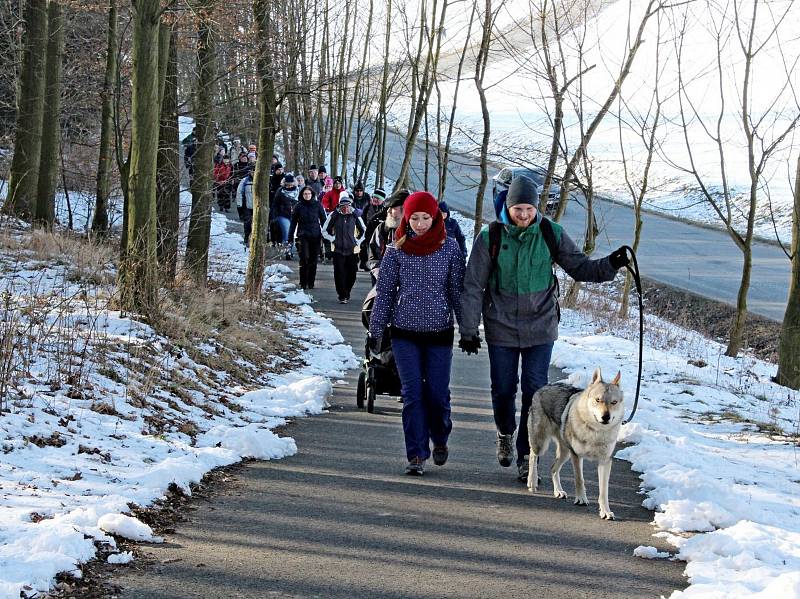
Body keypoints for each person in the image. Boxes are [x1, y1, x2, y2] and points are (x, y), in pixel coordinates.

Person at [458, 175, 630, 482]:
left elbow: (580, 267)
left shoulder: (551, 233)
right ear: (507, 207)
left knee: (534, 392)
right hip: (501, 325)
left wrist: (612, 263)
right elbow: (472, 285)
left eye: (528, 208)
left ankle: (527, 454)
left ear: (536, 207)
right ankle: (505, 433)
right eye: (517, 209)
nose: (523, 215)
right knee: (502, 389)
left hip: (541, 325)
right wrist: (469, 329)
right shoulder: (491, 236)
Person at [368, 191, 465, 476]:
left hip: (439, 332)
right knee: (412, 394)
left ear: (435, 217)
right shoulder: (396, 250)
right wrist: (376, 329)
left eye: (425, 217)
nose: (420, 224)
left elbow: (457, 293)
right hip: (404, 333)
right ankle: (416, 454)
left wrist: (468, 329)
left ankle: (441, 437)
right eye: (414, 218)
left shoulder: (449, 248)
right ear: (406, 219)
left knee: (437, 394)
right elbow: (384, 293)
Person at [322, 192, 366, 303]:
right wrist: (333, 239)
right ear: (339, 206)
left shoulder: (355, 215)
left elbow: (364, 231)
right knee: (339, 273)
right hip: (338, 249)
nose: (346, 209)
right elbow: (324, 230)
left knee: (352, 273)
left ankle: (347, 291)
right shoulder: (334, 215)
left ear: (351, 206)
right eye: (343, 207)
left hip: (352, 250)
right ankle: (342, 295)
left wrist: (358, 241)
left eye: (348, 206)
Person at [364, 189, 408, 282]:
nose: (388, 211)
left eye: (393, 208)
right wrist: (378, 272)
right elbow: (373, 253)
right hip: (382, 279)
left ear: (404, 209)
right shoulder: (383, 228)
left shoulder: (416, 229)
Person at [289, 185, 327, 290]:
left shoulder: (317, 205)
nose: (307, 196)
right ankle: (303, 282)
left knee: (313, 260)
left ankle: (311, 282)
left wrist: (326, 235)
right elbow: (293, 223)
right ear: (302, 195)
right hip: (303, 235)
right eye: (305, 194)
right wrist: (290, 237)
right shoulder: (298, 206)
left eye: (309, 194)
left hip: (316, 235)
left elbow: (324, 220)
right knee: (304, 258)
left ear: (312, 194)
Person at [272, 173, 299, 257]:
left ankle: (291, 249)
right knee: (287, 232)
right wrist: (274, 215)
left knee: (294, 233)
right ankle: (287, 250)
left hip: (295, 215)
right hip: (283, 214)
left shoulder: (298, 191)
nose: (289, 186)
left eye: (291, 184)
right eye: (287, 185)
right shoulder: (280, 191)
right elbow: (275, 204)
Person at [236, 167, 255, 248]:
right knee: (247, 223)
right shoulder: (245, 181)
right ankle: (247, 237)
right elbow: (239, 192)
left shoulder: (262, 180)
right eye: (252, 171)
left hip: (257, 207)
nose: (253, 173)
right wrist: (239, 205)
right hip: (247, 206)